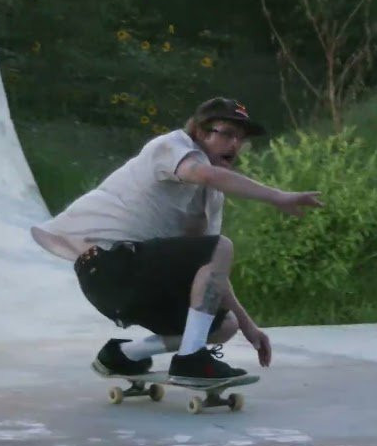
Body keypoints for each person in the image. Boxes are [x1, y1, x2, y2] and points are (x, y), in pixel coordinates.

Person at [30, 97, 324, 383]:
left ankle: (124, 354)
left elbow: (212, 271)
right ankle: (190, 360)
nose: (235, 145)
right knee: (222, 245)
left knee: (224, 325)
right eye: (227, 135)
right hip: (108, 266)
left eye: (241, 139)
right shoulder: (171, 146)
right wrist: (277, 196)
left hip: (138, 286)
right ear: (199, 131)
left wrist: (249, 327)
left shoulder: (211, 198)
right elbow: (202, 173)